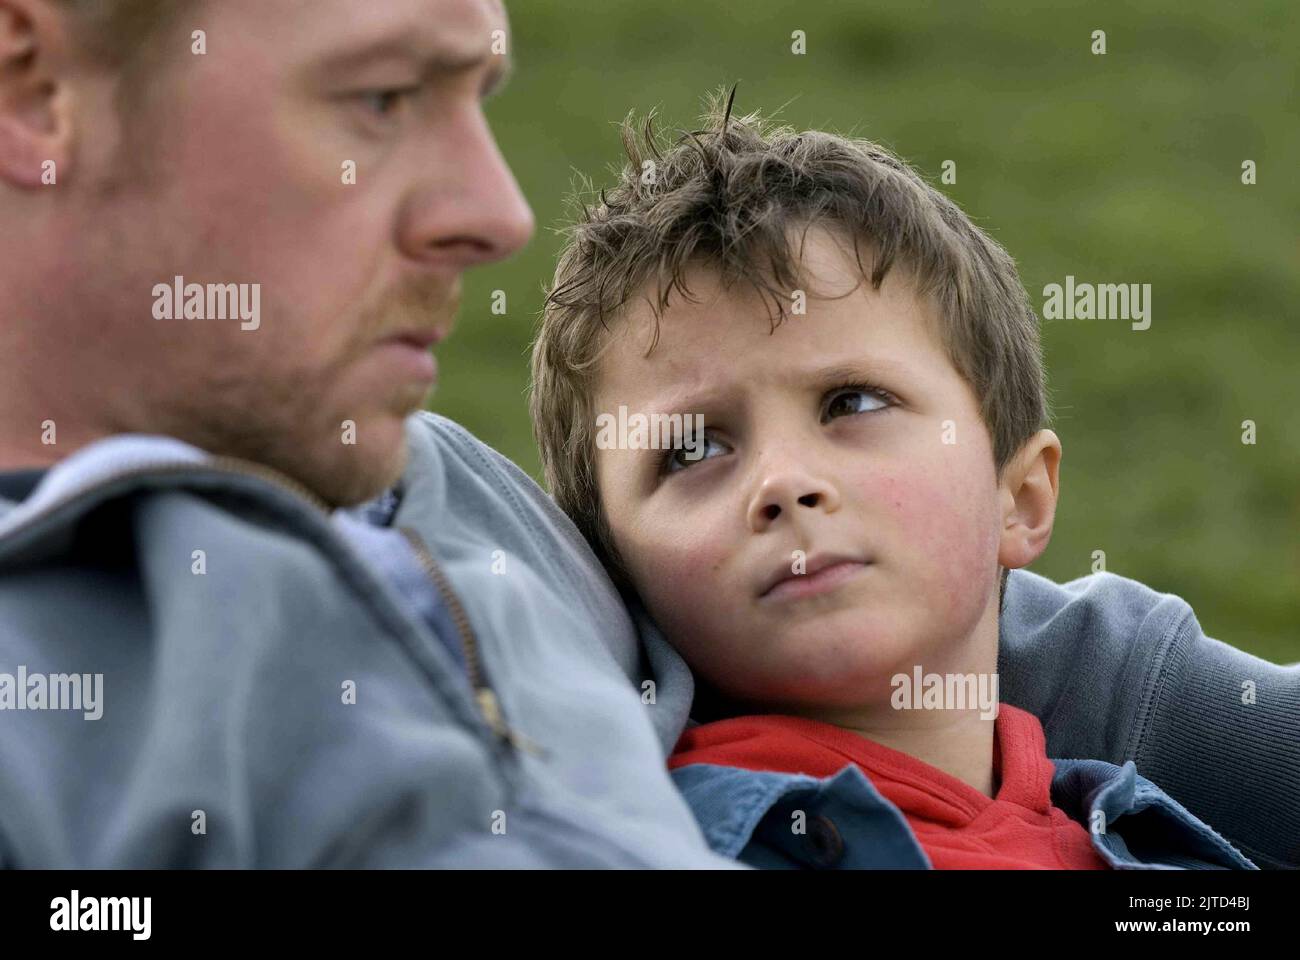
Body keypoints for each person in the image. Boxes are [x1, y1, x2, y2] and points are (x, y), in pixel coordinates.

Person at [0, 1, 1292, 868]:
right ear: (32, 86)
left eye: (850, 406)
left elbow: (998, 641)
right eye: (383, 96)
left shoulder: (436, 495)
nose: (497, 210)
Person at [529, 93, 1298, 868]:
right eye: (691, 451)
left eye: (851, 403)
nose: (785, 481)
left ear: (1020, 497)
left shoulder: (1146, 831)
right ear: (614, 578)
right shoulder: (652, 848)